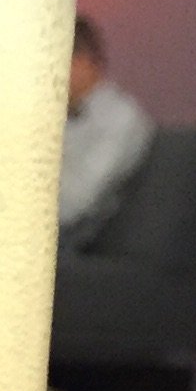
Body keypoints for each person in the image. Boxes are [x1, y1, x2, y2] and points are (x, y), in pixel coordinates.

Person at [59, 14, 154, 239]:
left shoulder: (120, 118)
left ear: (82, 61)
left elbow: (76, 202)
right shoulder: (63, 112)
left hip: (72, 233)